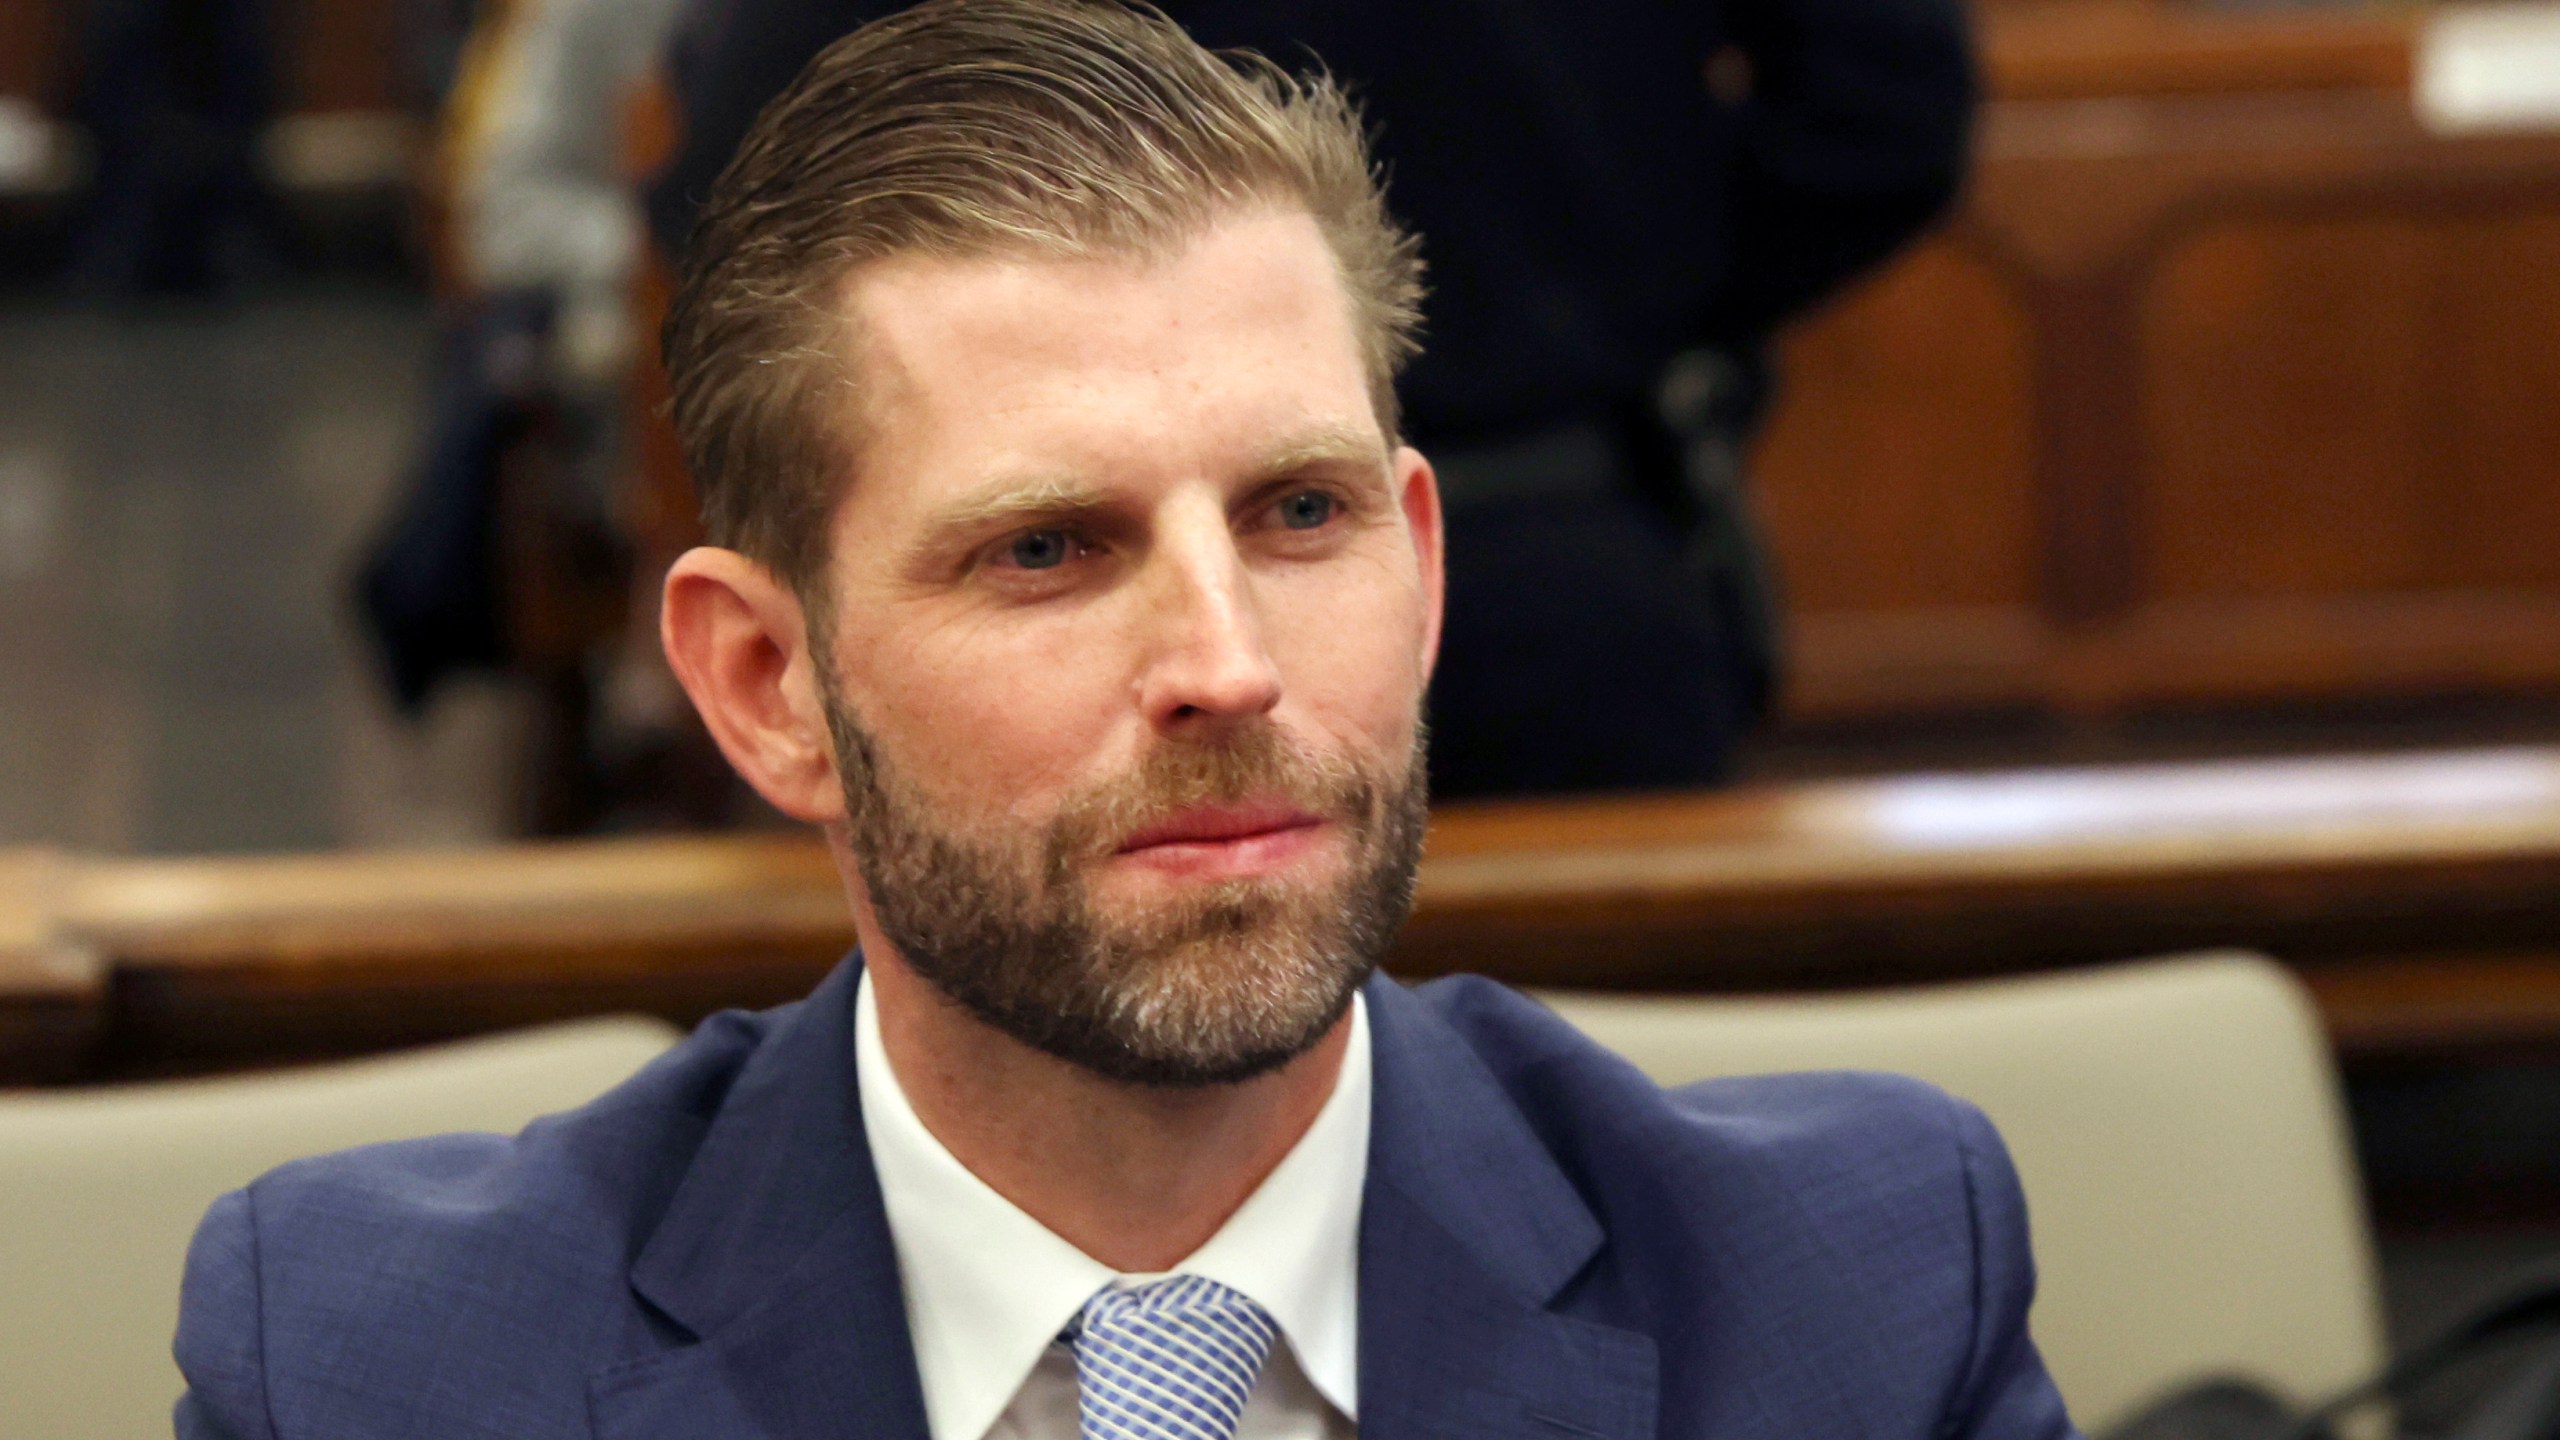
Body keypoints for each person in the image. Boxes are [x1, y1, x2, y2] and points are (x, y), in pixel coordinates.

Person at [172, 5, 2073, 1438]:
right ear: (769, 690)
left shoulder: (1856, 1308)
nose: (1226, 662)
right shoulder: (378, 1366)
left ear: (1417, 566)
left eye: (1300, 514)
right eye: (1049, 549)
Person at [646, 0, 1977, 798]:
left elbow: (736, 190)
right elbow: (1882, 116)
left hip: (1075, 570)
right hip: (1565, 537)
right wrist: (1622, 291)